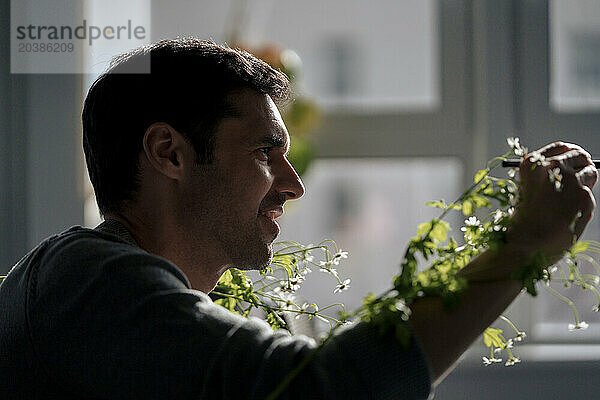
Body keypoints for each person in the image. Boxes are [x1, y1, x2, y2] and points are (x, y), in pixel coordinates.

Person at [0, 38, 596, 399]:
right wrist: (524, 245)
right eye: (265, 151)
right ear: (169, 153)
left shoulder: (109, 297)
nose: (294, 183)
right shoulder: (87, 281)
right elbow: (318, 396)